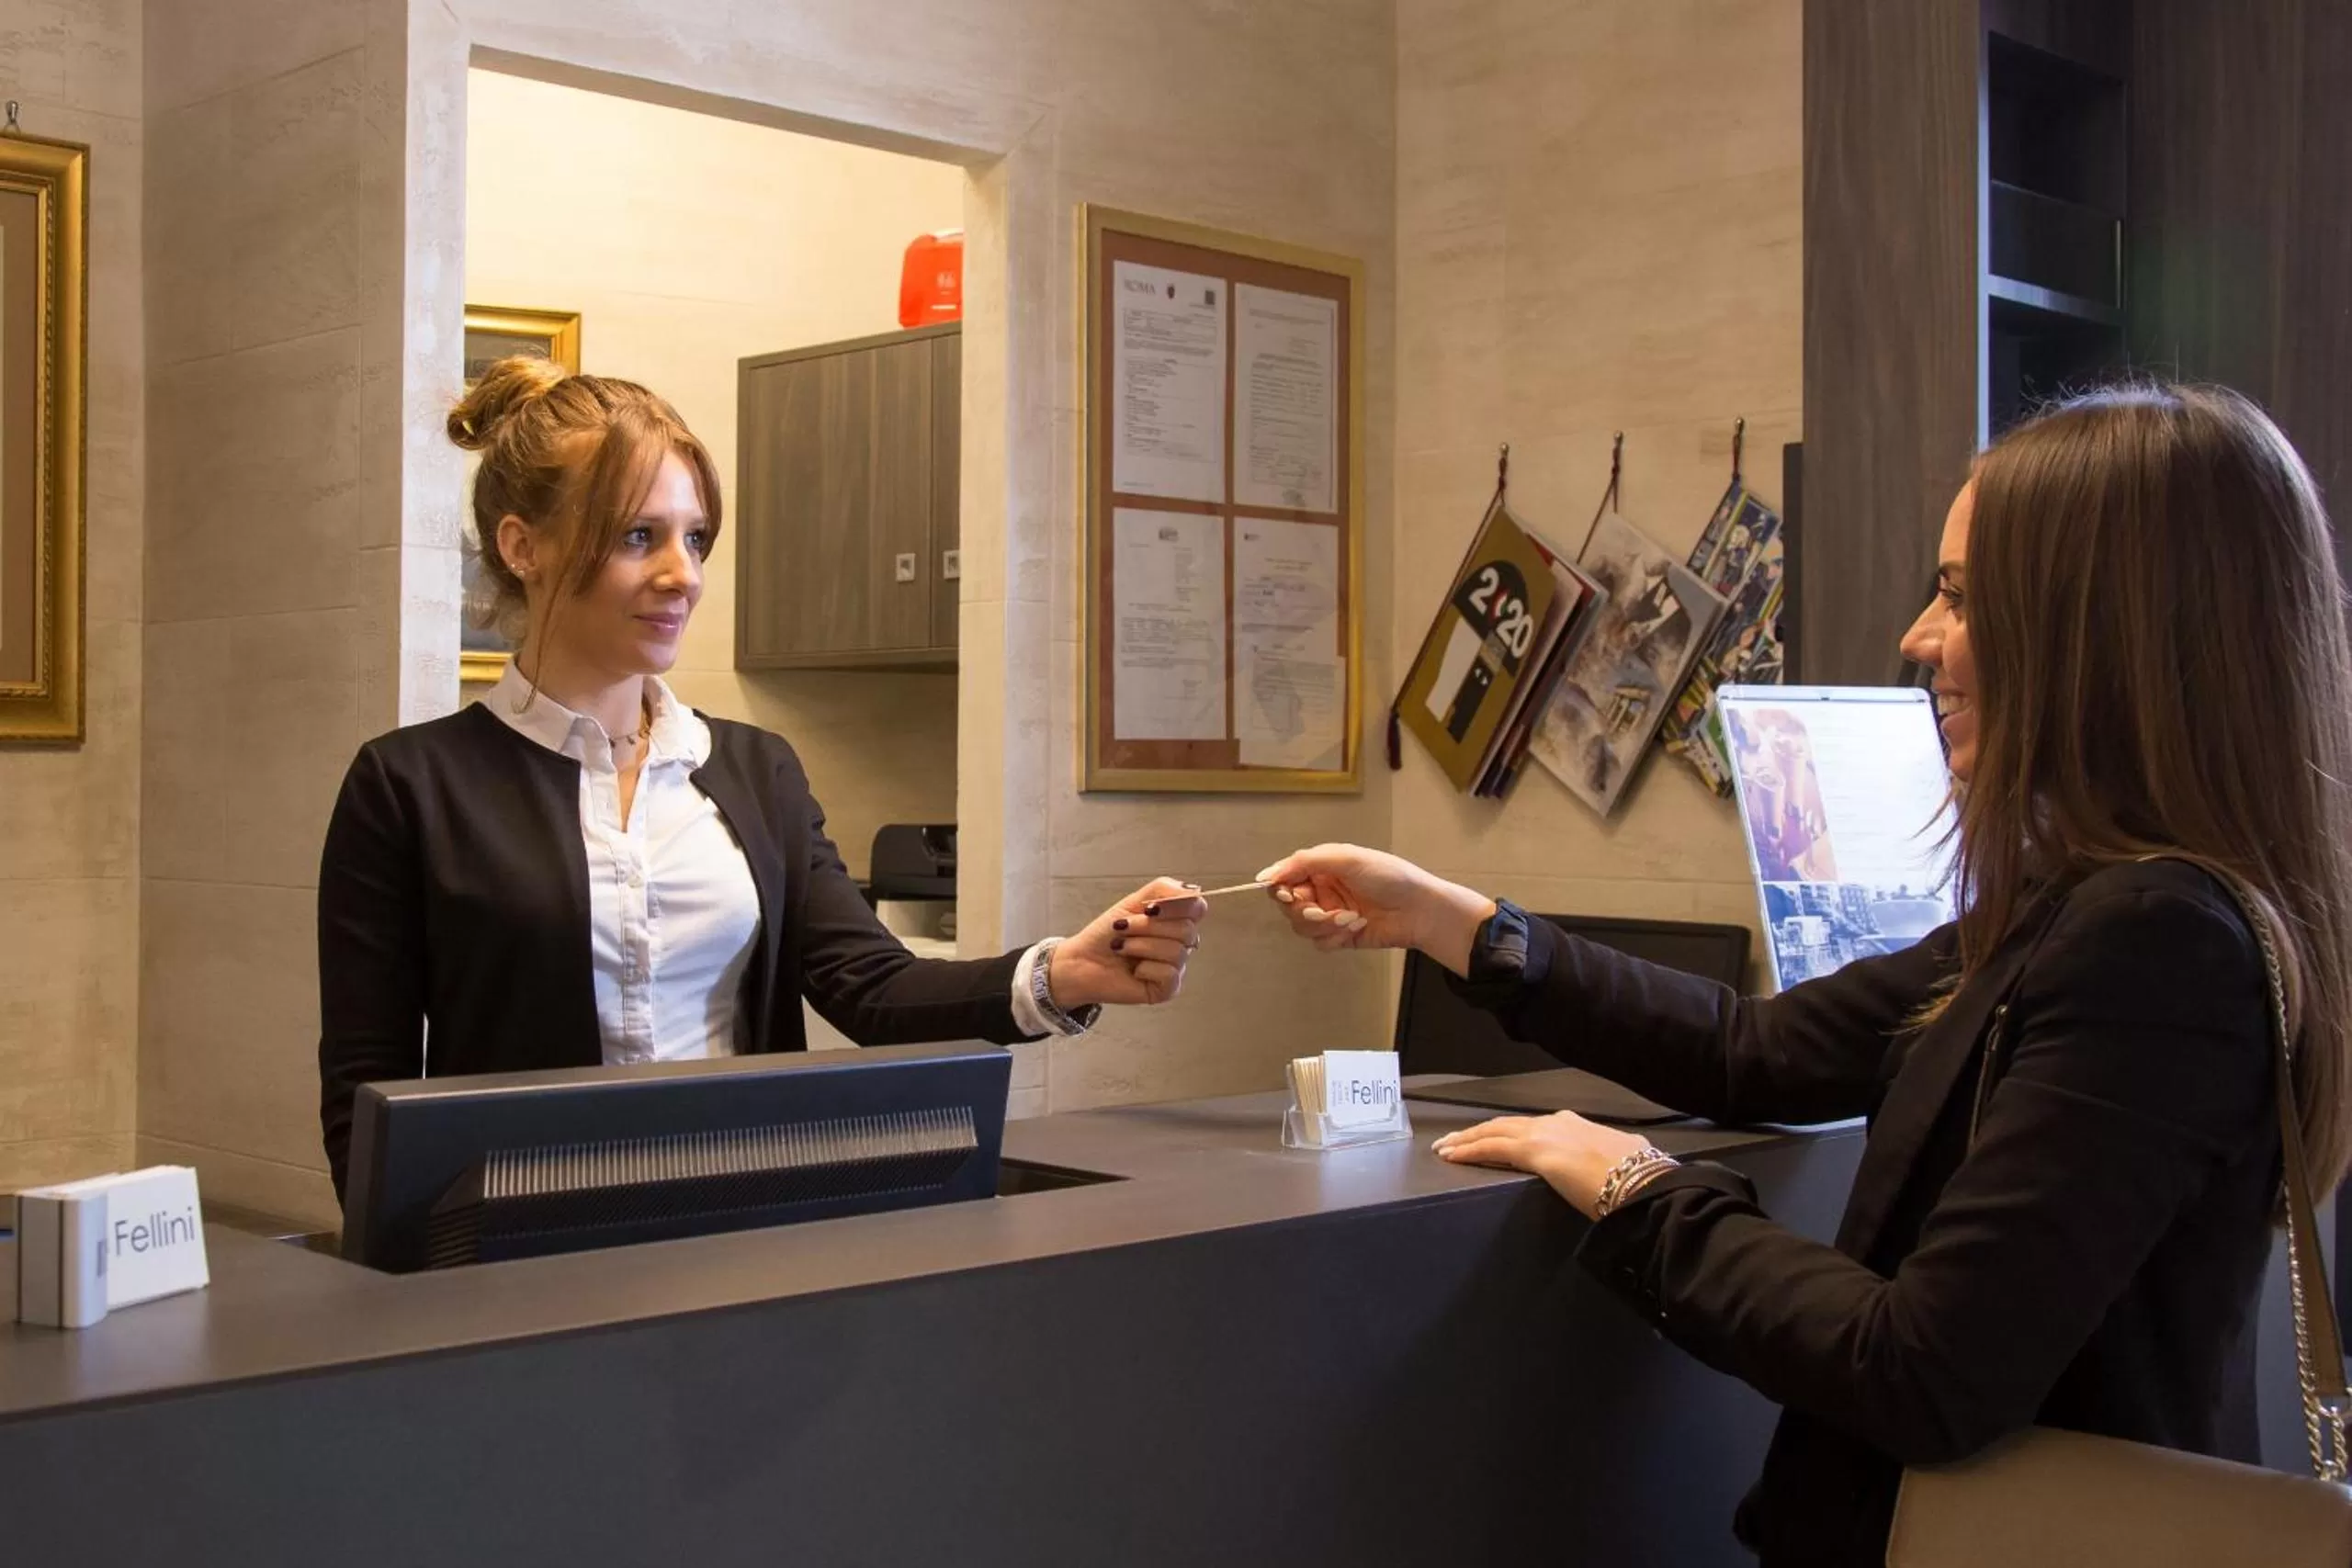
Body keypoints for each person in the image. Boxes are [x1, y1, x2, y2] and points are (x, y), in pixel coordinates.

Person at [1257, 383, 2352, 1565]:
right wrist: (1457, 923)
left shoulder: (2153, 940)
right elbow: (1756, 1051)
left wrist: (1641, 1189)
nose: (1918, 637)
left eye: (1961, 596)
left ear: (2100, 629)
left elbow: (1920, 1370)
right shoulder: (2094, 906)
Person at [317, 358, 1207, 1199]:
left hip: (739, 1222)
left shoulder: (753, 769)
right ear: (523, 547)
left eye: (696, 537)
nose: (684, 575)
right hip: (515, 1252)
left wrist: (1065, 973)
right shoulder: (409, 785)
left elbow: (872, 988)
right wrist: (420, 1275)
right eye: (638, 536)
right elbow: (366, 1093)